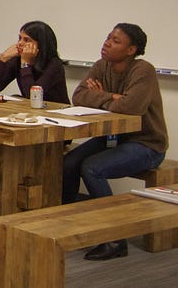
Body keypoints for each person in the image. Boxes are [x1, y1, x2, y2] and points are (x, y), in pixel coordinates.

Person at [63, 23, 168, 261]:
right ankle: (67, 227)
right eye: (108, 37)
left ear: (131, 50)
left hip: (146, 144)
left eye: (115, 41)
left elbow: (131, 107)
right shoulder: (102, 66)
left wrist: (99, 98)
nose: (107, 43)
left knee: (92, 169)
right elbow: (78, 96)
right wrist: (111, 96)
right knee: (69, 162)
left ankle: (115, 239)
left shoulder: (143, 71)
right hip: (112, 139)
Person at [0, 21, 69, 104]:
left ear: (41, 44)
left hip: (56, 113)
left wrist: (25, 64)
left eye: (26, 40)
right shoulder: (18, 59)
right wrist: (3, 58)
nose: (19, 43)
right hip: (33, 111)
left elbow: (33, 96)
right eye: (20, 38)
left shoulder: (54, 65)